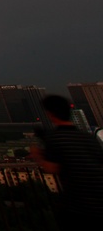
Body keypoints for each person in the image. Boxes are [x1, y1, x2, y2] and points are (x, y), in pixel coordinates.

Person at [30, 94, 103, 228]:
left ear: (50, 114)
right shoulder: (89, 137)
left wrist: (37, 155)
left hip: (78, 206)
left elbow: (51, 168)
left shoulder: (55, 138)